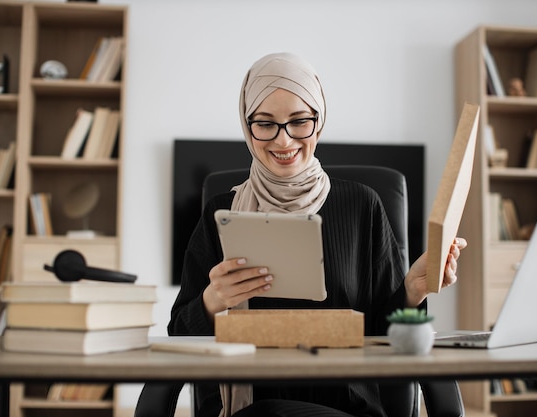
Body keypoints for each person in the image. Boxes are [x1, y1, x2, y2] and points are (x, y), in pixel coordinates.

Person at [168, 52, 466, 417]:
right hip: (253, 409)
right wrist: (212, 301)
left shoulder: (362, 205)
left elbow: (387, 335)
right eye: (266, 124)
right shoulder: (220, 213)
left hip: (350, 408)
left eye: (299, 122)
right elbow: (178, 333)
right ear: (248, 128)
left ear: (318, 122)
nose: (283, 140)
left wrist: (413, 289)